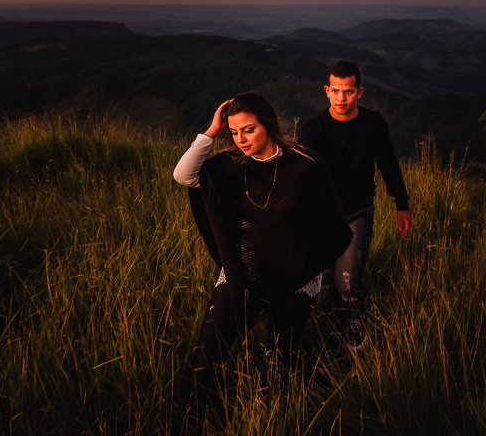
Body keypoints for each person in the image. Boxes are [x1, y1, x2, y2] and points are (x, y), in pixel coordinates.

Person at [173, 91, 352, 422]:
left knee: (283, 357)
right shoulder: (230, 165)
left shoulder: (304, 166)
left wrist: (309, 266)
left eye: (249, 130)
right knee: (207, 349)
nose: (241, 139)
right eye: (234, 132)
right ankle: (197, 416)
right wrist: (211, 132)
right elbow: (183, 176)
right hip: (243, 268)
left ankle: (278, 417)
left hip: (296, 275)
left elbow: (329, 221)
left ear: (268, 125)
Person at [298, 60, 411, 351]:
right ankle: (329, 335)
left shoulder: (373, 124)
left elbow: (388, 163)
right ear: (326, 90)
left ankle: (356, 336)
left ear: (359, 92)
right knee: (323, 287)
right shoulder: (313, 129)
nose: (341, 98)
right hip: (321, 218)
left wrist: (402, 203)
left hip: (357, 213)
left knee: (348, 285)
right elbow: (307, 173)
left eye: (348, 91)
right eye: (335, 91)